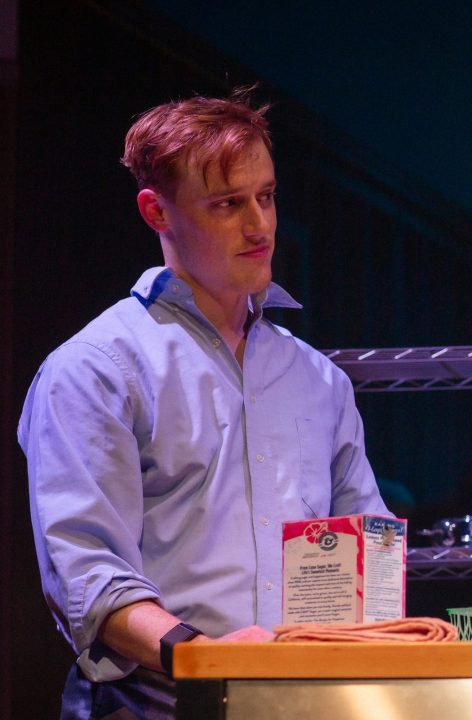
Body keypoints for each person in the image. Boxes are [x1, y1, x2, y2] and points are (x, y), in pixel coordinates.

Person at [17, 87, 388, 718]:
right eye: (227, 204)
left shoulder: (318, 379)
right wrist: (204, 655)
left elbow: (367, 552)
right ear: (156, 212)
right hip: (158, 707)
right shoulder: (95, 369)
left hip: (308, 705)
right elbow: (86, 572)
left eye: (266, 197)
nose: (259, 224)